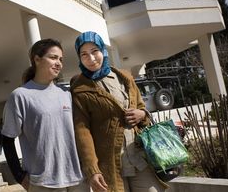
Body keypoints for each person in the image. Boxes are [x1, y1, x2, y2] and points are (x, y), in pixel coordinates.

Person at [71, 31, 168, 192]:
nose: (91, 58)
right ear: (79, 58)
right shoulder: (80, 89)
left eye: (95, 51)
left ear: (103, 50)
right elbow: (82, 131)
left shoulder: (124, 77)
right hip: (109, 163)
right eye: (84, 54)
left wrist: (142, 114)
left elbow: (141, 107)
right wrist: (92, 169)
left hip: (139, 158)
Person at [1, 39, 88, 192]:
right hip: (43, 183)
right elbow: (7, 139)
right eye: (53, 57)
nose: (59, 63)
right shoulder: (20, 96)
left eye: (61, 59)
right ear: (37, 59)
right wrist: (20, 176)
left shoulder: (66, 93)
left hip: (77, 180)